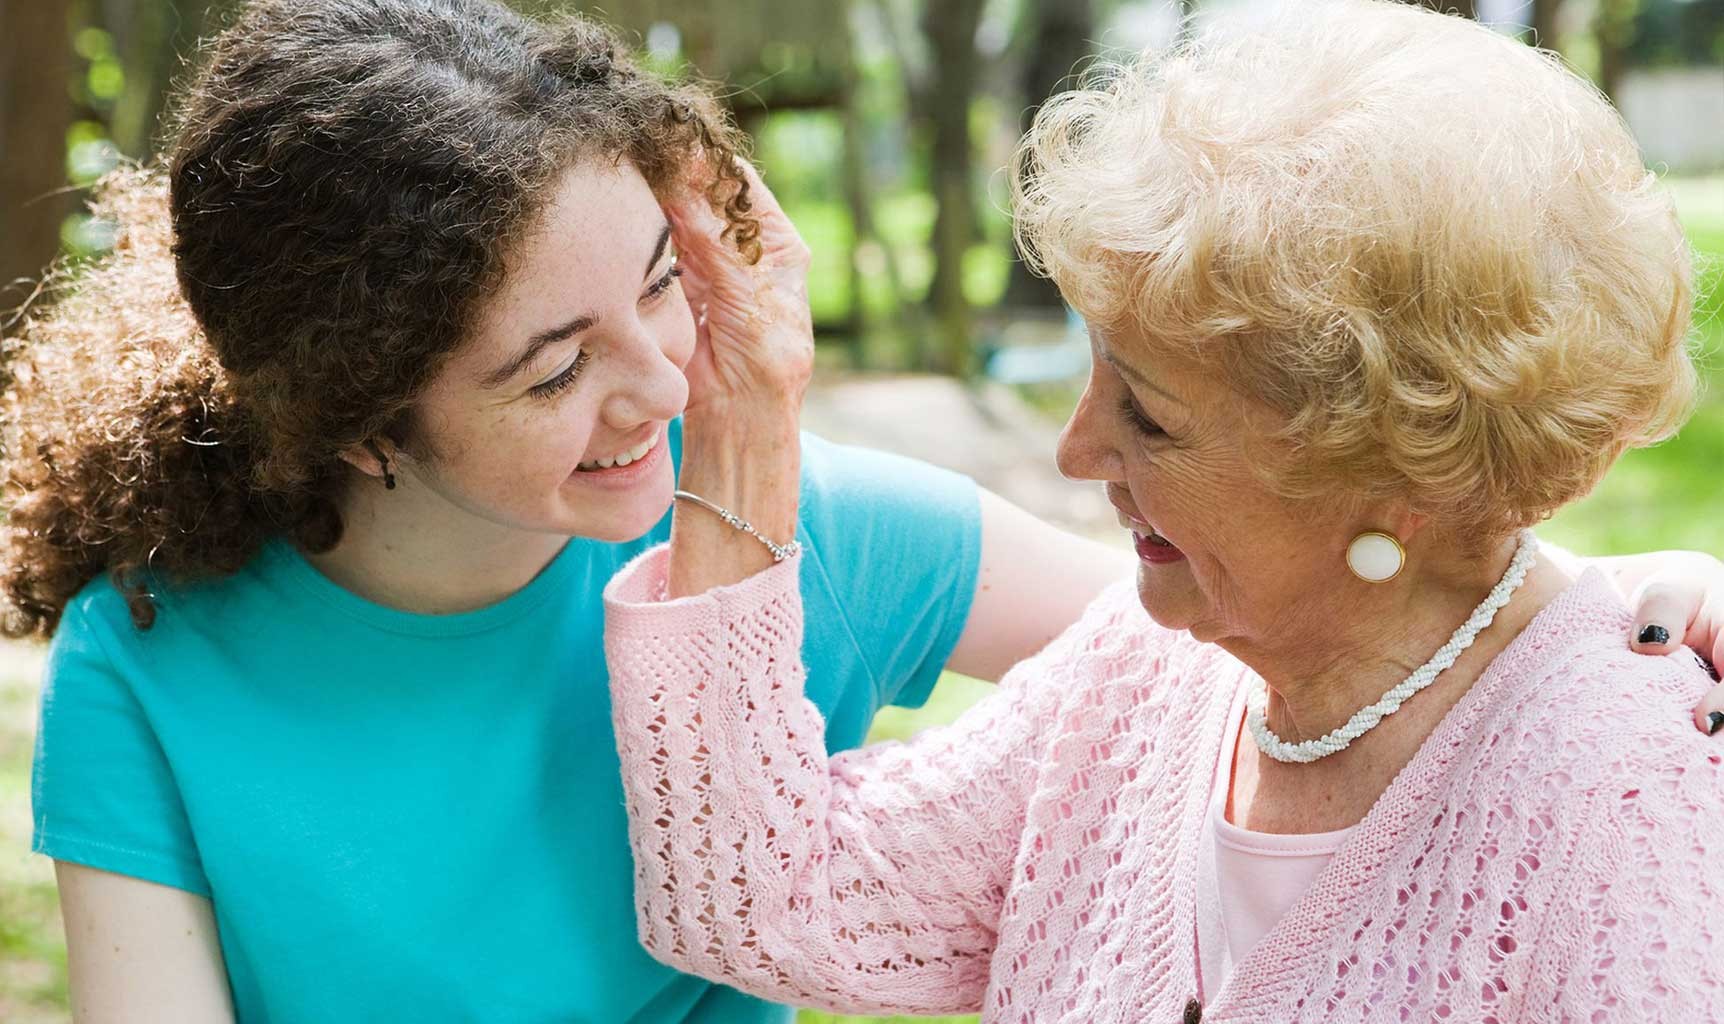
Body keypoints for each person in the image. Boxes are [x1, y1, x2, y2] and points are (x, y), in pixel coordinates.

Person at [4, 2, 1129, 1020]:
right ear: (357, 418)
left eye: (657, 285)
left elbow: (1252, 656)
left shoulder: (796, 528)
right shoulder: (148, 659)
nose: (666, 386)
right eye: (554, 371)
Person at [601, 2, 1724, 1021]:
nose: (1075, 445)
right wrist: (743, 417)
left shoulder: (1628, 799)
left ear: (1394, 469)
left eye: (1148, 415)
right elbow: (775, 899)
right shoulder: (1143, 676)